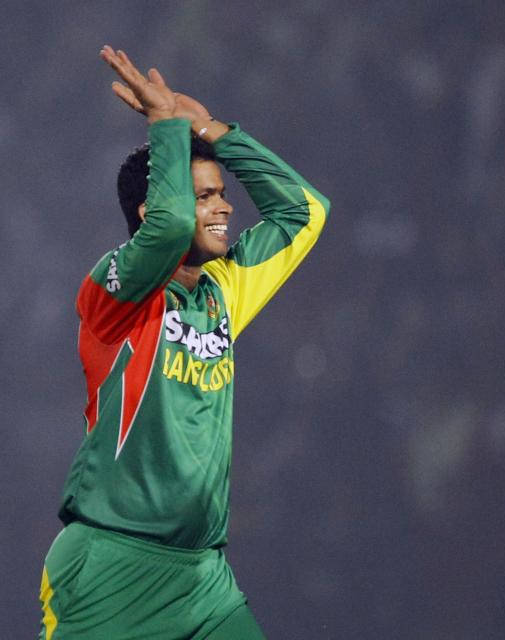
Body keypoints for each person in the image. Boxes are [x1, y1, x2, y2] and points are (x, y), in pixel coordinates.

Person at [37, 46, 330, 639]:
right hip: (109, 572)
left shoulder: (222, 290)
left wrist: (208, 130)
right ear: (151, 210)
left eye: (221, 192)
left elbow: (305, 213)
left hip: (202, 578)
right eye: (204, 197)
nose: (224, 206)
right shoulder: (112, 299)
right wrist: (165, 124)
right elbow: (169, 228)